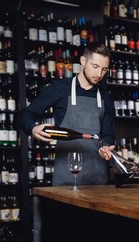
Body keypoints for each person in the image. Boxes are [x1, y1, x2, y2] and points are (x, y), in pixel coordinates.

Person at [19, 42, 115, 186]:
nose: (99, 74)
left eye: (104, 69)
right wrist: (32, 128)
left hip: (98, 181)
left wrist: (107, 147)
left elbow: (108, 135)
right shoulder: (60, 88)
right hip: (66, 179)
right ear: (83, 61)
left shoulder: (106, 97)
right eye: (95, 67)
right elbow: (24, 115)